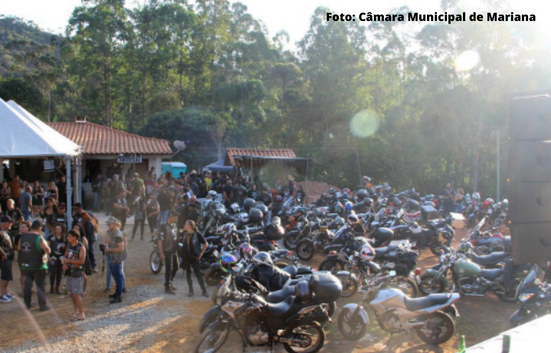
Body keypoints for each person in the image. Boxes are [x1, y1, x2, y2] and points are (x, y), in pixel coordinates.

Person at [19, 220, 51, 311]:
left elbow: (19, 248)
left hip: (26, 265)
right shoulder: (39, 238)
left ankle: (27, 305)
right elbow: (47, 250)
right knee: (40, 286)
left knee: (27, 285)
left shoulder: (23, 237)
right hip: (38, 266)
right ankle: (42, 305)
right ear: (39, 228)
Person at [62, 229, 86, 321]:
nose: (67, 238)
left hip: (77, 273)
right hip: (70, 272)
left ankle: (81, 313)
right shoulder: (69, 246)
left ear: (75, 237)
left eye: (69, 236)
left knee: (76, 294)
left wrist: (69, 261)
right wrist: (64, 264)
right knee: (72, 293)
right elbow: (65, 257)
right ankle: (76, 311)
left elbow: (81, 261)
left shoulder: (81, 247)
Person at [181, 220, 208, 297]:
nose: (184, 225)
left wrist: (201, 254)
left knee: (198, 274)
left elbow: (205, 243)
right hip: (187, 258)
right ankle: (190, 290)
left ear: (189, 226)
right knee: (188, 274)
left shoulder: (197, 234)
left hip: (195, 257)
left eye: (185, 224)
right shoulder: (185, 234)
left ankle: (204, 291)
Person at [104, 217, 126, 304]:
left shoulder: (117, 235)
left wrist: (109, 250)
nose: (108, 226)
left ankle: (118, 296)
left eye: (109, 224)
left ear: (114, 224)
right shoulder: (114, 233)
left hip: (117, 259)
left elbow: (121, 248)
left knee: (118, 277)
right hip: (114, 258)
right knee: (116, 277)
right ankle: (117, 293)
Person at [73, 203, 98, 273]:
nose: (74, 210)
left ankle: (93, 266)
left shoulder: (87, 216)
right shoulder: (76, 216)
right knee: (85, 252)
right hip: (82, 236)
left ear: (80, 208)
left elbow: (90, 227)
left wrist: (86, 238)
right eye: (74, 209)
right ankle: (88, 266)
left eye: (76, 209)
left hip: (89, 237)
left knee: (90, 251)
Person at [158, 211, 179, 295]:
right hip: (167, 250)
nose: (176, 218)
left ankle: (169, 282)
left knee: (176, 266)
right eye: (175, 217)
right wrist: (161, 252)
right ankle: (167, 287)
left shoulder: (174, 225)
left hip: (174, 249)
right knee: (169, 269)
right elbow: (160, 240)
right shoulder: (163, 227)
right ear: (170, 217)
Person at [48, 223, 66, 294]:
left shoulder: (64, 237)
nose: (57, 230)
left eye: (59, 229)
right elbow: (47, 246)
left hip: (61, 257)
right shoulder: (51, 237)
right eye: (56, 229)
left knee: (59, 272)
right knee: (52, 273)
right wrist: (48, 256)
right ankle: (51, 287)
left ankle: (57, 287)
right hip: (53, 256)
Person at [0, 216, 15, 303]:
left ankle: (5, 292)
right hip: (3, 258)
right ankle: (2, 295)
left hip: (8, 257)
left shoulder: (7, 232)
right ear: (4, 223)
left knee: (8, 275)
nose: (11, 224)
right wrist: (3, 253)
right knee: (5, 276)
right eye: (9, 222)